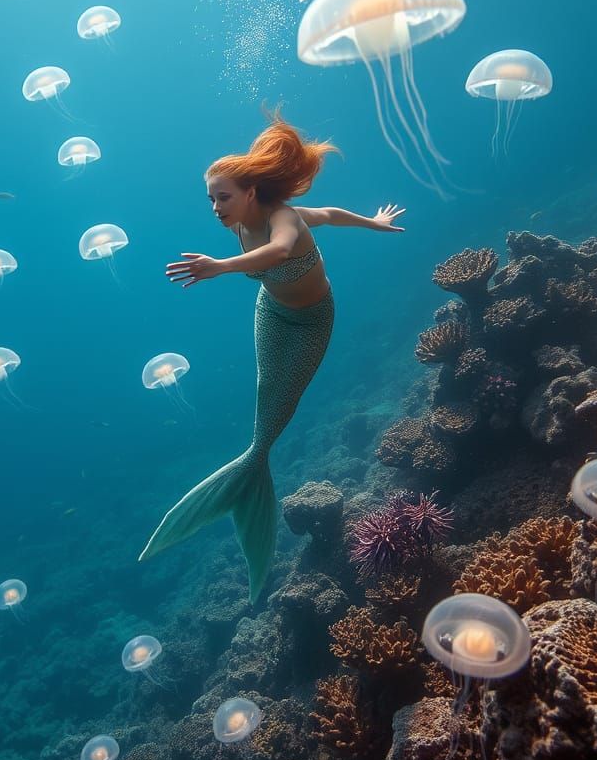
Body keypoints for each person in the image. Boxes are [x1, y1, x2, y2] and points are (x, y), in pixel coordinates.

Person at [138, 114, 406, 600]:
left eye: (224, 196)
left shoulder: (283, 217)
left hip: (311, 321)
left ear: (251, 193)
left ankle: (248, 479)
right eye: (211, 198)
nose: (216, 207)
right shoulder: (242, 224)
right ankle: (249, 473)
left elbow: (286, 247)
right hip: (271, 311)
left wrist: (376, 223)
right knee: (265, 397)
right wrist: (371, 222)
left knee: (282, 408)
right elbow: (323, 220)